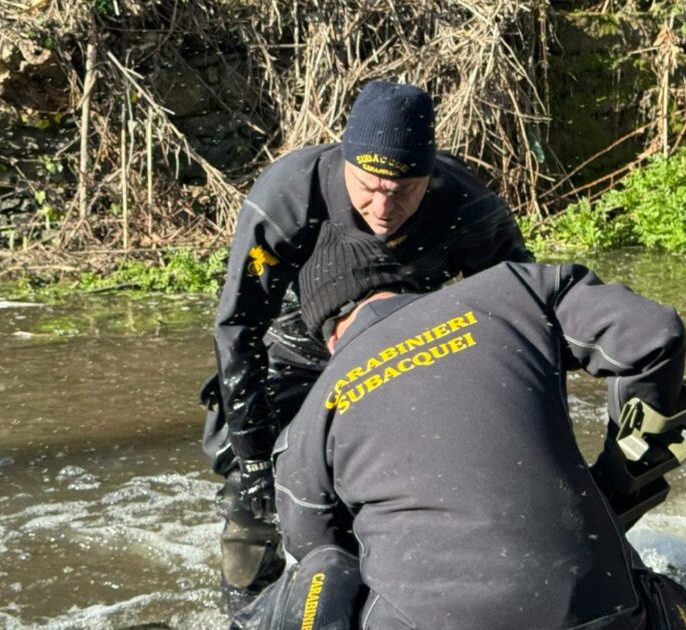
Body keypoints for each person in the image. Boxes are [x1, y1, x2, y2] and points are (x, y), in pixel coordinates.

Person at [231, 224, 686, 629]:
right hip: (601, 614)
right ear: (398, 281)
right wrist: (621, 482)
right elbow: (653, 336)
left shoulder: (313, 414)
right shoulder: (512, 290)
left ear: (326, 335)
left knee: (318, 574)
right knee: (636, 578)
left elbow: (317, 552)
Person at [204, 79, 532, 613]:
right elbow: (236, 328)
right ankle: (242, 607)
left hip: (401, 351)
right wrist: (254, 457)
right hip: (291, 354)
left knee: (405, 490)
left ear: (429, 177)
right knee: (253, 509)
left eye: (404, 191)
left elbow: (523, 315)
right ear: (345, 162)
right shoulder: (290, 196)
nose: (383, 207)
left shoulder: (466, 206)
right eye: (368, 186)